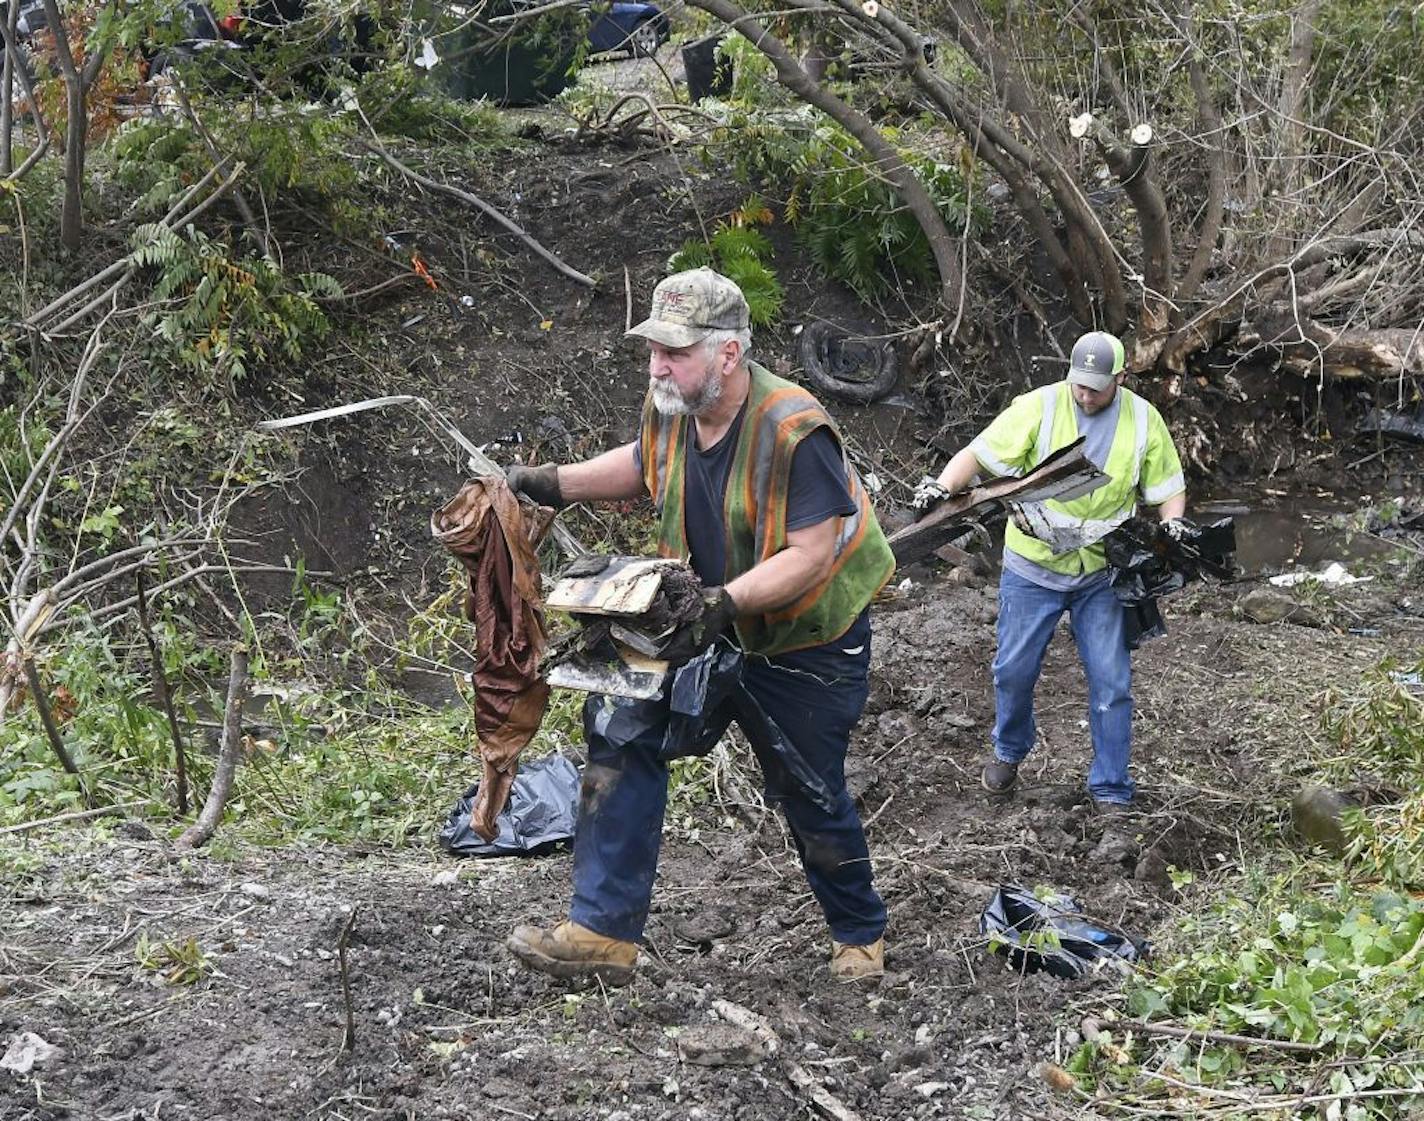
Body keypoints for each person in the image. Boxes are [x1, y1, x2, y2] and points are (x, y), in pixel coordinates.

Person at [502, 268, 897, 984]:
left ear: (728, 353)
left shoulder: (795, 430)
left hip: (803, 639)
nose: (658, 364)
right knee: (621, 729)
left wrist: (724, 605)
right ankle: (601, 932)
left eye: (675, 351)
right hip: (701, 617)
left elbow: (811, 554)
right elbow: (642, 463)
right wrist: (549, 482)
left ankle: (858, 932)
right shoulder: (673, 402)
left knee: (807, 785)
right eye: (654, 348)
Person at [922, 331, 1186, 810]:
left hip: (1102, 572)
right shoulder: (1039, 407)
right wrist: (940, 488)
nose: (1084, 395)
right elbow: (977, 457)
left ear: (1120, 379)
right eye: (1078, 384)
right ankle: (1009, 751)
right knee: (1013, 670)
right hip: (1033, 568)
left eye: (1096, 388)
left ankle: (1110, 788)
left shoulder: (1144, 421)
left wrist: (1174, 527)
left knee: (1111, 681)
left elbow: (1168, 487)